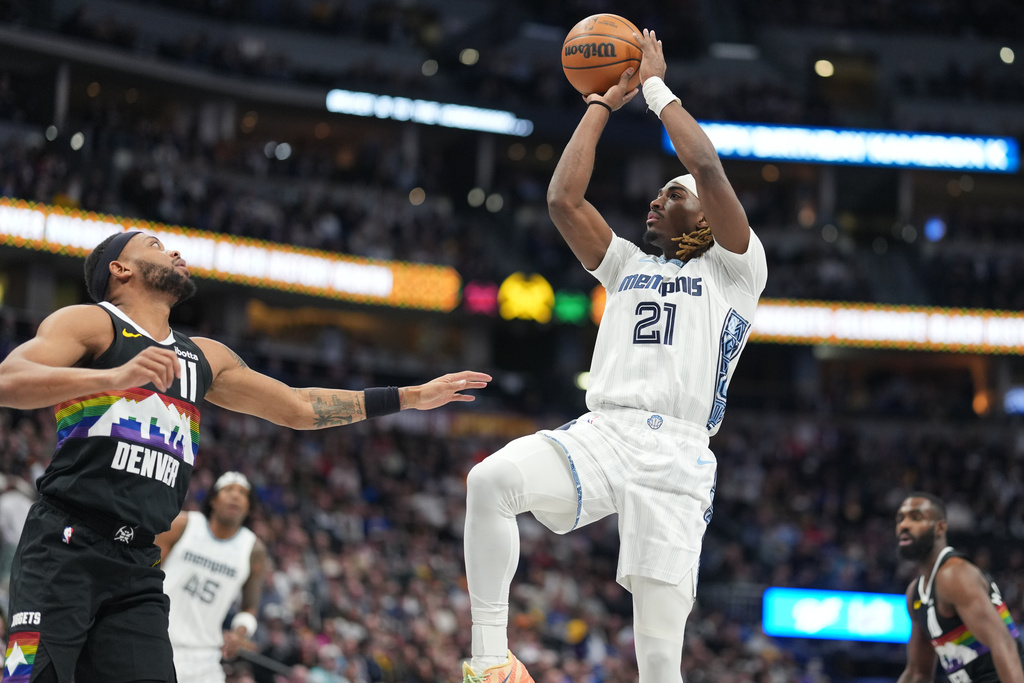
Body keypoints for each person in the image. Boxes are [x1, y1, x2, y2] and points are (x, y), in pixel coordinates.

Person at [0, 229, 491, 683]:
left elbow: (298, 407)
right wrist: (111, 379)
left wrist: (406, 397)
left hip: (137, 564)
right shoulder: (92, 322)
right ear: (119, 270)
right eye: (154, 245)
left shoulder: (204, 356)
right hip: (63, 545)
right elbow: (8, 381)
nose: (173, 251)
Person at [460, 29, 767, 683]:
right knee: (490, 482)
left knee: (658, 660)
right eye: (656, 195)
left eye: (671, 195)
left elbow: (708, 170)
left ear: (706, 216)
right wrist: (600, 104)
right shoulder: (625, 262)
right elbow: (561, 201)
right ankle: (490, 657)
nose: (656, 200)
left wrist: (655, 89)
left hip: (677, 454)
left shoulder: (737, 271)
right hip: (605, 430)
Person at [895, 492, 1024, 683]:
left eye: (916, 517)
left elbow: (1004, 644)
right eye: (900, 519)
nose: (904, 525)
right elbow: (917, 673)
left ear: (940, 527)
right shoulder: (915, 593)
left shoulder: (954, 575)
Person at [156, 471, 265, 683]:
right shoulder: (183, 525)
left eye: (242, 493)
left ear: (249, 507)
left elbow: (249, 608)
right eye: (228, 490)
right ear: (214, 499)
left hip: (204, 656)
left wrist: (240, 633)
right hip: (157, 638)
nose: (235, 496)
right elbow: (143, 572)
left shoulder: (253, 549)